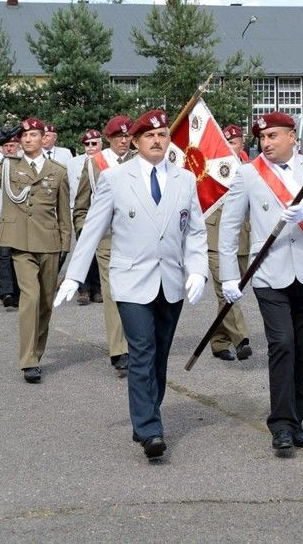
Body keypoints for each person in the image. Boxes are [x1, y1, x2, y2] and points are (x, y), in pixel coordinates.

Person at [55, 109, 208, 460]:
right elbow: (93, 229)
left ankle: (147, 411)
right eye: (149, 136)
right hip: (131, 279)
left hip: (171, 280)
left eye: (162, 135)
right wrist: (74, 275)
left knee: (160, 354)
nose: (157, 141)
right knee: (142, 350)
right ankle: (150, 428)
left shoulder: (185, 179)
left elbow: (195, 230)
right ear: (136, 142)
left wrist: (197, 270)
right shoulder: (115, 178)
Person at [219, 111, 303, 455]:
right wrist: (229, 274)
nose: (266, 143)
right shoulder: (249, 173)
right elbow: (230, 226)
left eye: (273, 136)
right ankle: (281, 425)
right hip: (269, 274)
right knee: (283, 344)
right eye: (262, 137)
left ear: (292, 137)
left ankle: (295, 420)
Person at [0, 118, 71, 383]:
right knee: (31, 297)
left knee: (45, 303)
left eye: (33, 135)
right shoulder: (7, 167)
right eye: (24, 136)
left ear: (44, 138)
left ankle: (36, 351)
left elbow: (63, 213)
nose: (28, 139)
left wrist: (66, 247)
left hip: (49, 242)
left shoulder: (57, 171)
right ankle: (28, 361)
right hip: (20, 243)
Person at [73, 115, 135, 376]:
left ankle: (138, 342)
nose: (124, 141)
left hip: (137, 237)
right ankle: (119, 350)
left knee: (137, 293)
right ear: (108, 139)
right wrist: (86, 233)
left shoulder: (140, 160)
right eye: (118, 136)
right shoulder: (95, 164)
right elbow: (81, 204)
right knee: (112, 292)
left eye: (127, 136)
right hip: (108, 238)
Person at [206, 124, 252, 361]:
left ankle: (218, 341)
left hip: (241, 239)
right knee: (226, 289)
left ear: (242, 144)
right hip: (215, 238)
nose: (229, 148)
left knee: (231, 292)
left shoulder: (250, 169)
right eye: (225, 143)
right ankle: (241, 338)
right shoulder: (211, 169)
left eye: (233, 143)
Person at [67, 129, 104, 306]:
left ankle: (97, 288)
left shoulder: (106, 161)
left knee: (98, 253)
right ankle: (84, 290)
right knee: (82, 253)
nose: (90, 147)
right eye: (86, 144)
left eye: (94, 143)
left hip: (100, 214)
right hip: (81, 212)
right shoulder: (73, 163)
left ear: (101, 144)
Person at [0, 133, 22, 308]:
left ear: (18, 146)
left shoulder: (24, 165)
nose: (9, 148)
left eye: (12, 145)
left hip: (19, 219)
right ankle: (6, 293)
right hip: (0, 217)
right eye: (6, 146)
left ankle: (18, 292)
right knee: (3, 255)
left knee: (18, 256)